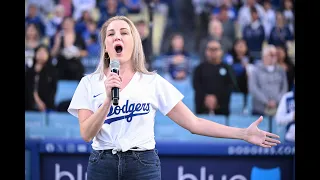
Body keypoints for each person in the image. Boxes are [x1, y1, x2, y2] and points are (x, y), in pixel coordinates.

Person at [67, 15, 280, 180]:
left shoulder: (152, 82)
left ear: (134, 43)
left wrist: (243, 133)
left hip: (143, 164)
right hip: (102, 163)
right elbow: (86, 134)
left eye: (124, 32)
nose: (117, 37)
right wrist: (106, 101)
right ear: (105, 46)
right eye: (111, 34)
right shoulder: (88, 83)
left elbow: (194, 123)